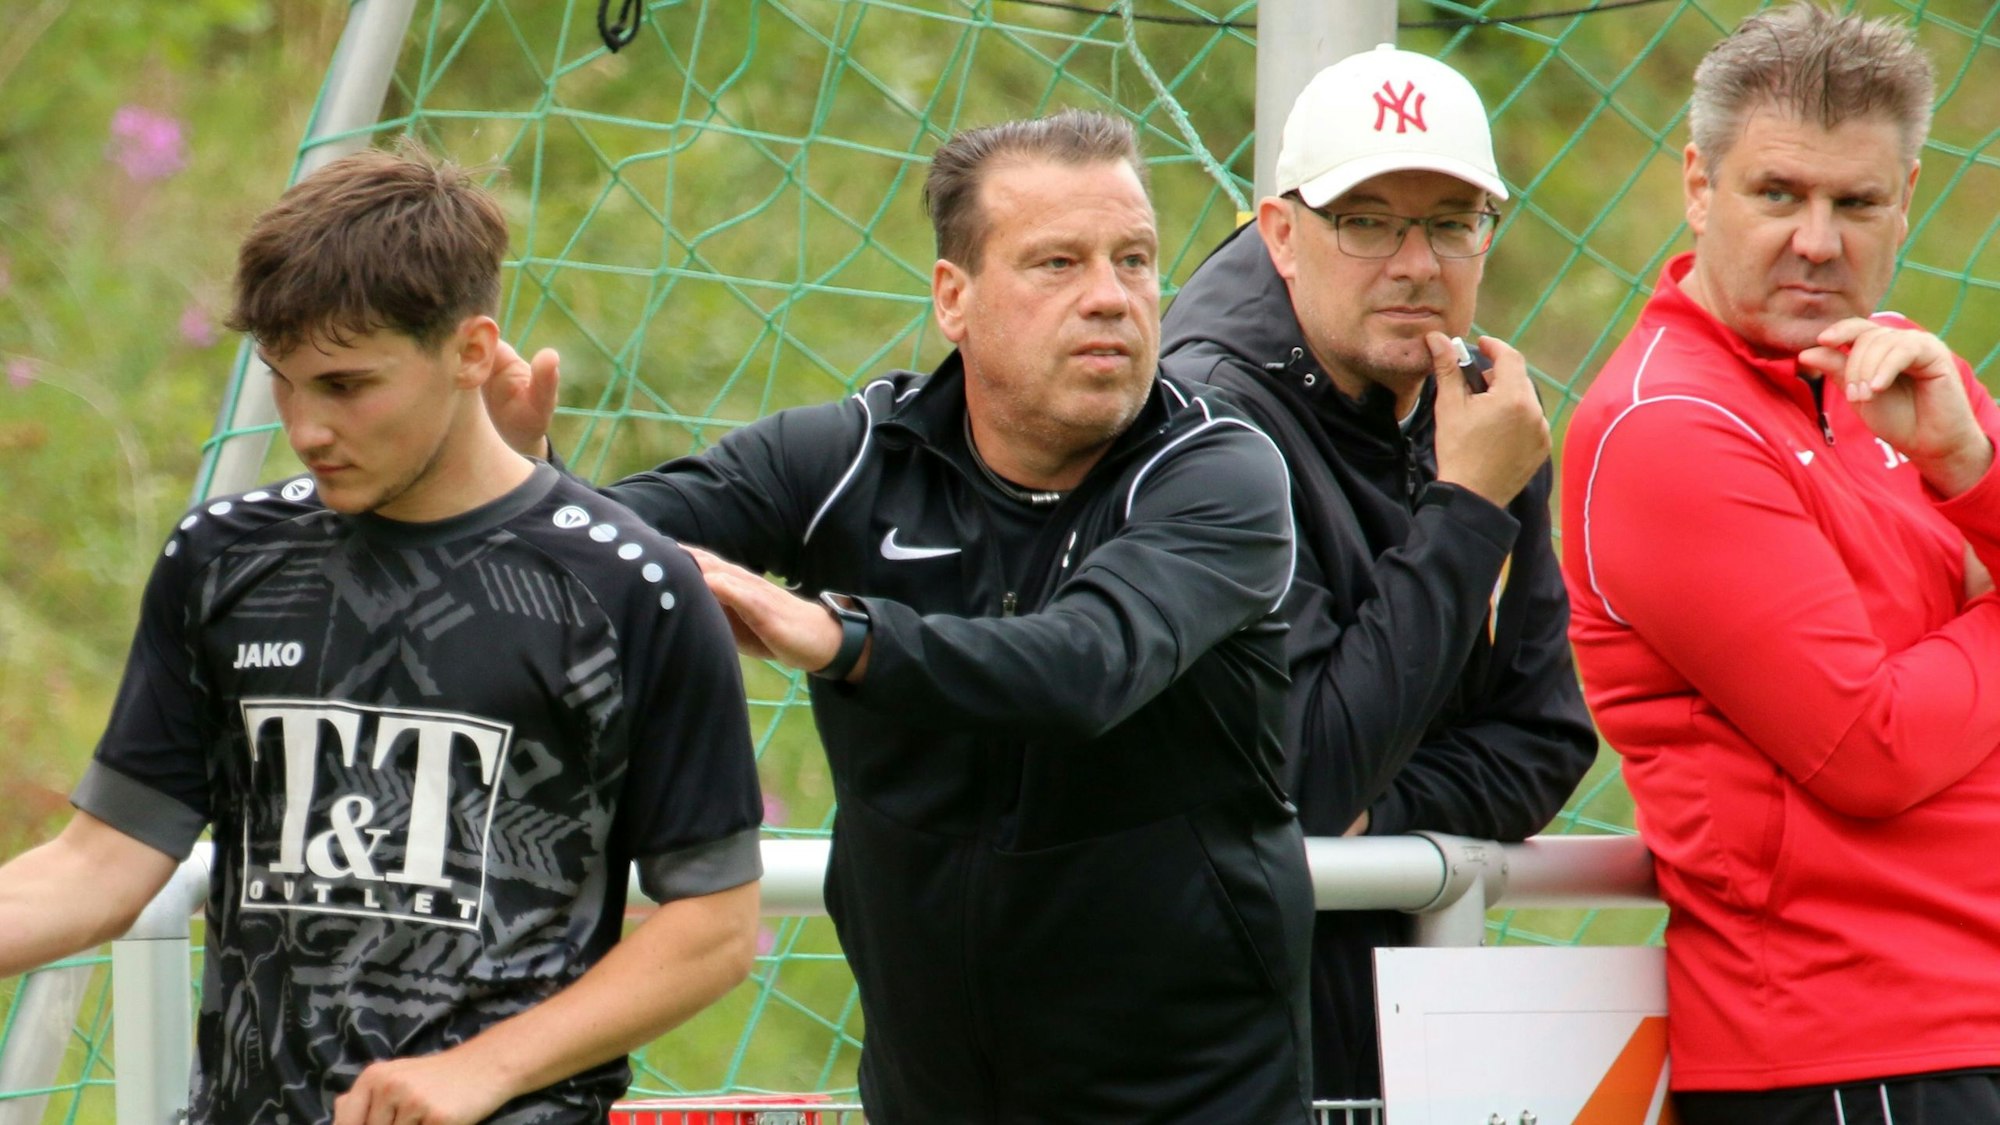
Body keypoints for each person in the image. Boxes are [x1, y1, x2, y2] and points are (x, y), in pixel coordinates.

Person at [491, 109, 1316, 1123]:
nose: (1109, 297)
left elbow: (1083, 667)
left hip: (1192, 1099)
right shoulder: (848, 458)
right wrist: (513, 481)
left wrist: (840, 638)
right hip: (926, 1095)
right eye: (1056, 263)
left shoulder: (1215, 472)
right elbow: (609, 559)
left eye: (1133, 260)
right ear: (953, 299)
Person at [0, 147, 765, 1125]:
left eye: (348, 385)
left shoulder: (628, 588)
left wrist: (483, 1069)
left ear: (471, 349)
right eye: (285, 381)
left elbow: (712, 926)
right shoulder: (225, 562)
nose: (307, 426)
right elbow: (98, 865)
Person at [1561, 4, 2000, 1121]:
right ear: (1698, 186)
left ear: (1904, 198)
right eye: (1777, 195)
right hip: (1851, 1054)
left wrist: (1968, 468)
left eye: (1853, 202)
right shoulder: (1666, 426)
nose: (1816, 239)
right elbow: (1871, 745)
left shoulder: (1896, 379)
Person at [1158, 44, 1596, 1099]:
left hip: (1399, 1030)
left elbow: (1545, 740)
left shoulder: (1477, 412)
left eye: (1450, 221)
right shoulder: (1202, 433)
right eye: (1366, 220)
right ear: (1281, 235)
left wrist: (1385, 813)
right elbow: (1305, 775)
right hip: (1204, 1045)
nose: (1414, 262)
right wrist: (1461, 513)